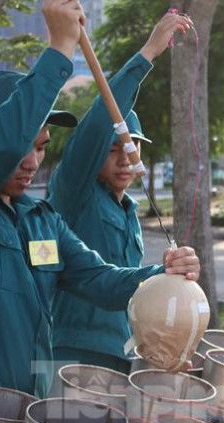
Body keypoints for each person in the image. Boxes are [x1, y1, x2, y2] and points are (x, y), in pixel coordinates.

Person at [0, 2, 199, 423]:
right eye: (25, 143)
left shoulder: (42, 224)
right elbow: (3, 148)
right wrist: (61, 48)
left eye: (42, 146)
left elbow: (103, 281)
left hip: (23, 411)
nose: (31, 160)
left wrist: (164, 273)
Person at [46, 12, 193, 373]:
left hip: (122, 352)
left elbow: (129, 284)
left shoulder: (128, 209)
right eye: (113, 149)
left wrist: (168, 273)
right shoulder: (74, 192)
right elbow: (97, 126)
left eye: (132, 147)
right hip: (74, 353)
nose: (126, 157)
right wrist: (147, 54)